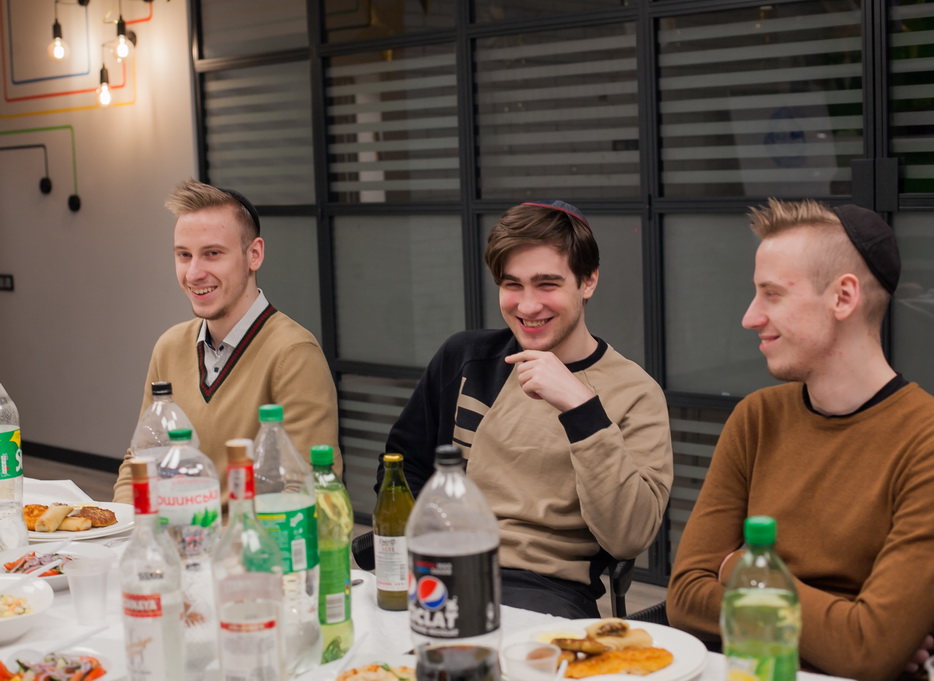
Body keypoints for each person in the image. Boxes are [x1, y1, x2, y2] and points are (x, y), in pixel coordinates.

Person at [667, 199, 934, 681]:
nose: (750, 317)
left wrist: (737, 568)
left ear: (843, 297)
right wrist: (839, 630)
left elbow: (869, 649)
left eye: (772, 294)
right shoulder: (757, 419)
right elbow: (685, 597)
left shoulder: (924, 439)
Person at [379, 200, 673, 618]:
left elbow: (629, 536)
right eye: (512, 284)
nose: (528, 306)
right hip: (442, 569)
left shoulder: (636, 392)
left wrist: (581, 408)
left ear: (588, 281)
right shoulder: (467, 358)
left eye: (547, 284)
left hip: (546, 590)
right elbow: (401, 467)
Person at [113, 179, 340, 503]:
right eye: (184, 255)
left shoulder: (293, 354)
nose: (193, 273)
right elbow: (140, 462)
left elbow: (308, 493)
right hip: (174, 532)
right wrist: (123, 525)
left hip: (253, 536)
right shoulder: (169, 346)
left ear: (254, 255)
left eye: (212, 254)